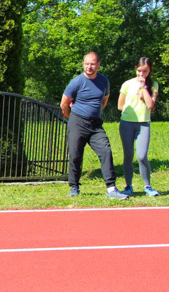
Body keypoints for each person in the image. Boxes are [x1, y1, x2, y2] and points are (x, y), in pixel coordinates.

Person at [60, 52, 128, 199]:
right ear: (83, 64)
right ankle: (74, 187)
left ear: (98, 65)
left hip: (96, 125)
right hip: (77, 122)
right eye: (86, 64)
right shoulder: (76, 82)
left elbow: (104, 100)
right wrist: (70, 115)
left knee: (106, 151)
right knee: (75, 155)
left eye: (92, 64)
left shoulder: (104, 81)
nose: (89, 67)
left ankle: (111, 189)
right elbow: (64, 103)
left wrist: (94, 113)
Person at [117, 57, 160, 197]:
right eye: (139, 71)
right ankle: (128, 185)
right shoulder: (127, 84)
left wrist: (144, 88)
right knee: (128, 155)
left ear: (149, 71)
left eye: (145, 71)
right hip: (127, 123)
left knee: (142, 156)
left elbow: (150, 105)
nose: (142, 74)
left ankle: (147, 186)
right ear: (136, 68)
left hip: (144, 123)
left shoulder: (153, 85)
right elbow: (120, 105)